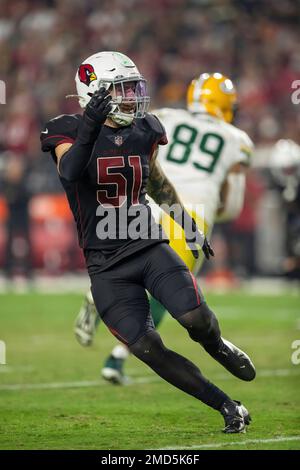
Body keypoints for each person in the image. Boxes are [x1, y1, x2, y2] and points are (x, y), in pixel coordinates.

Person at [41, 51, 255, 433]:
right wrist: (90, 125)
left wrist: (188, 226)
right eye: (121, 90)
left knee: (195, 319)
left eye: (131, 88)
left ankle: (220, 346)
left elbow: (157, 183)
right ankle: (227, 405)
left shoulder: (145, 129)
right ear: (95, 94)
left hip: (147, 245)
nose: (130, 97)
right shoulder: (67, 128)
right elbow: (71, 171)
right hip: (106, 266)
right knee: (147, 350)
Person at [74, 72, 254, 383]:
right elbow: (232, 207)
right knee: (173, 296)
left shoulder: (165, 117)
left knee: (134, 275)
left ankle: (98, 299)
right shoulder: (236, 139)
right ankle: (116, 359)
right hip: (192, 213)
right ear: (225, 105)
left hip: (150, 205)